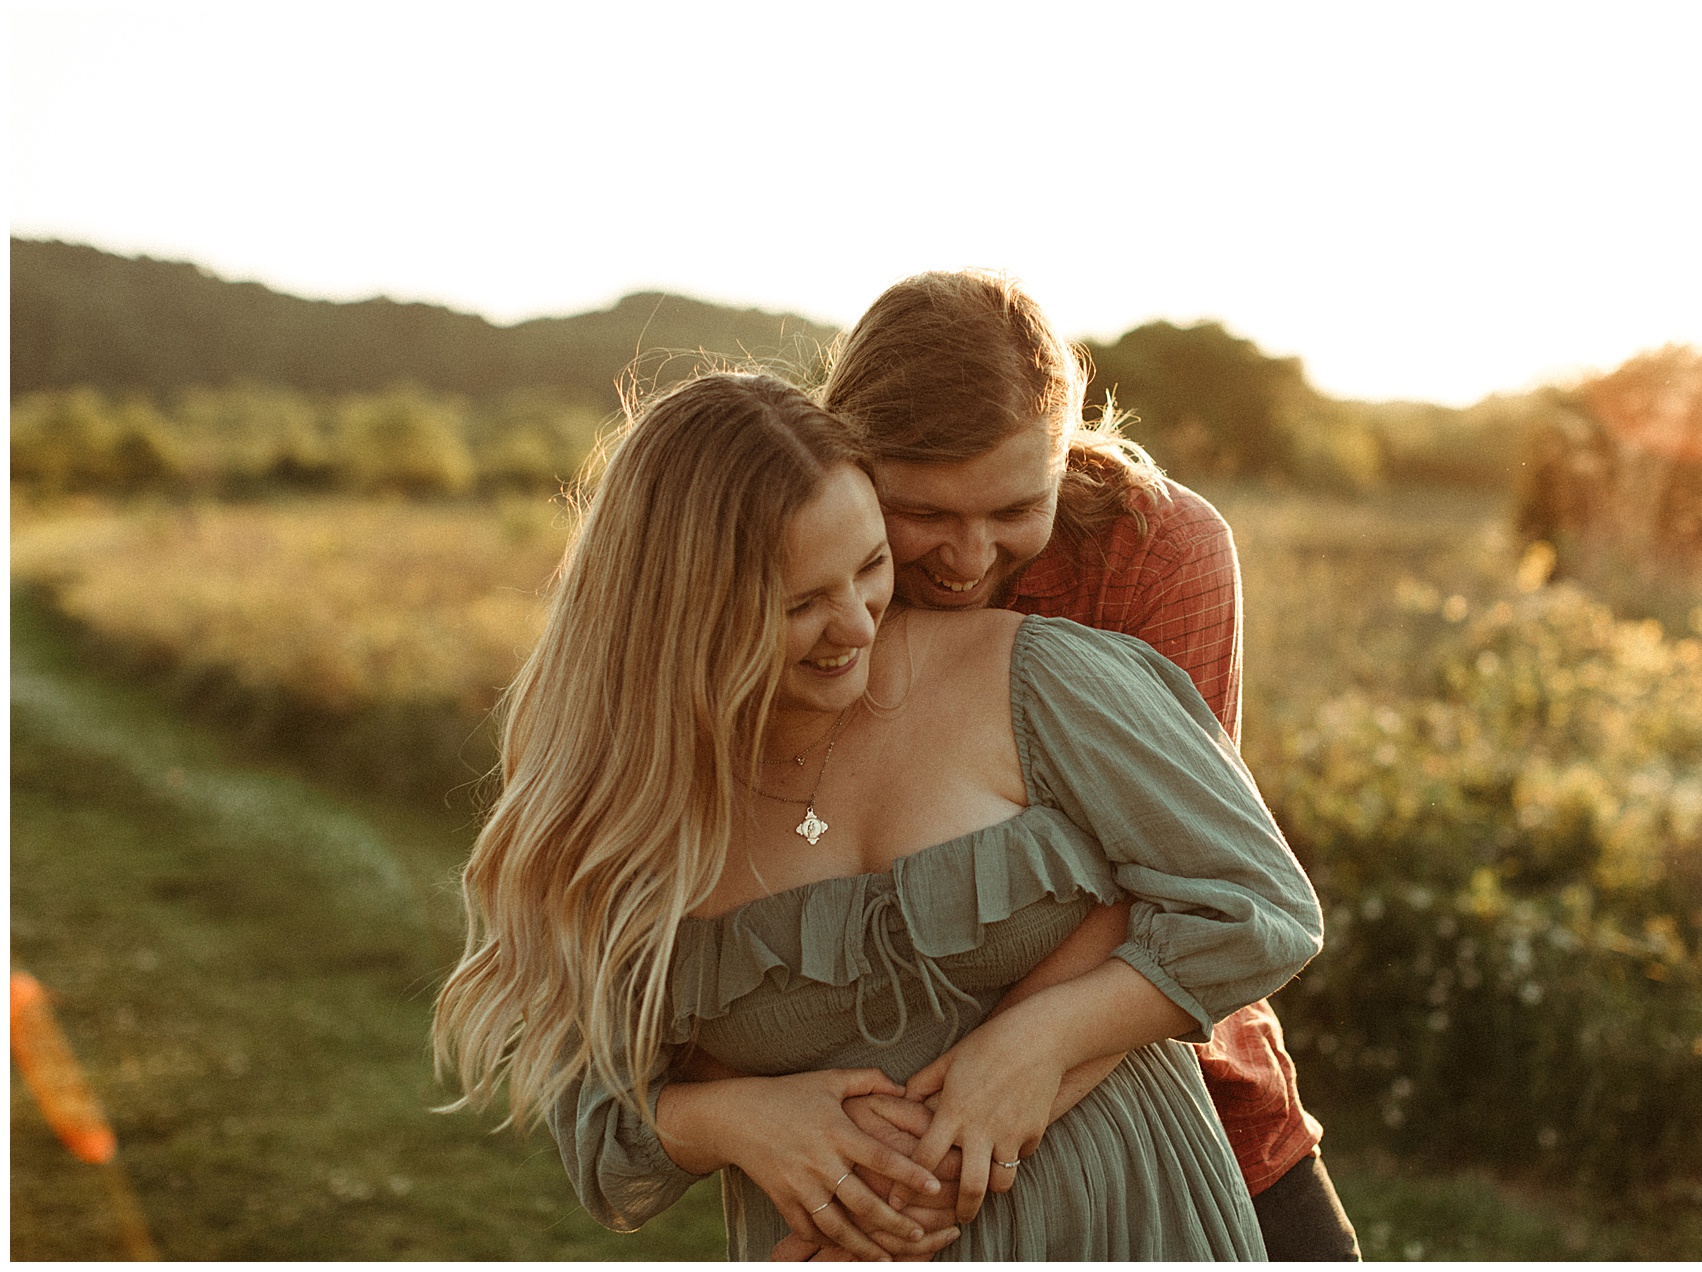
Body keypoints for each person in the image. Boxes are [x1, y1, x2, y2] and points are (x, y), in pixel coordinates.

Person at [431, 371, 1324, 1260]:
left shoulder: (1033, 679)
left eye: (869, 569)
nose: (856, 624)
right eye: (801, 604)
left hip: (1127, 1225)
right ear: (679, 618)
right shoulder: (627, 816)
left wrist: (1041, 1041)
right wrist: (732, 1121)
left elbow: (1261, 907)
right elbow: (594, 1127)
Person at [819, 269, 1361, 1261]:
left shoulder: (1155, 546)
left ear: (1064, 455)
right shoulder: (813, 580)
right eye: (924, 512)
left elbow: (1177, 871)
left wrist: (1027, 1048)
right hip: (893, 1144)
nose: (968, 557)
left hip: (1188, 1089)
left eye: (1015, 509)